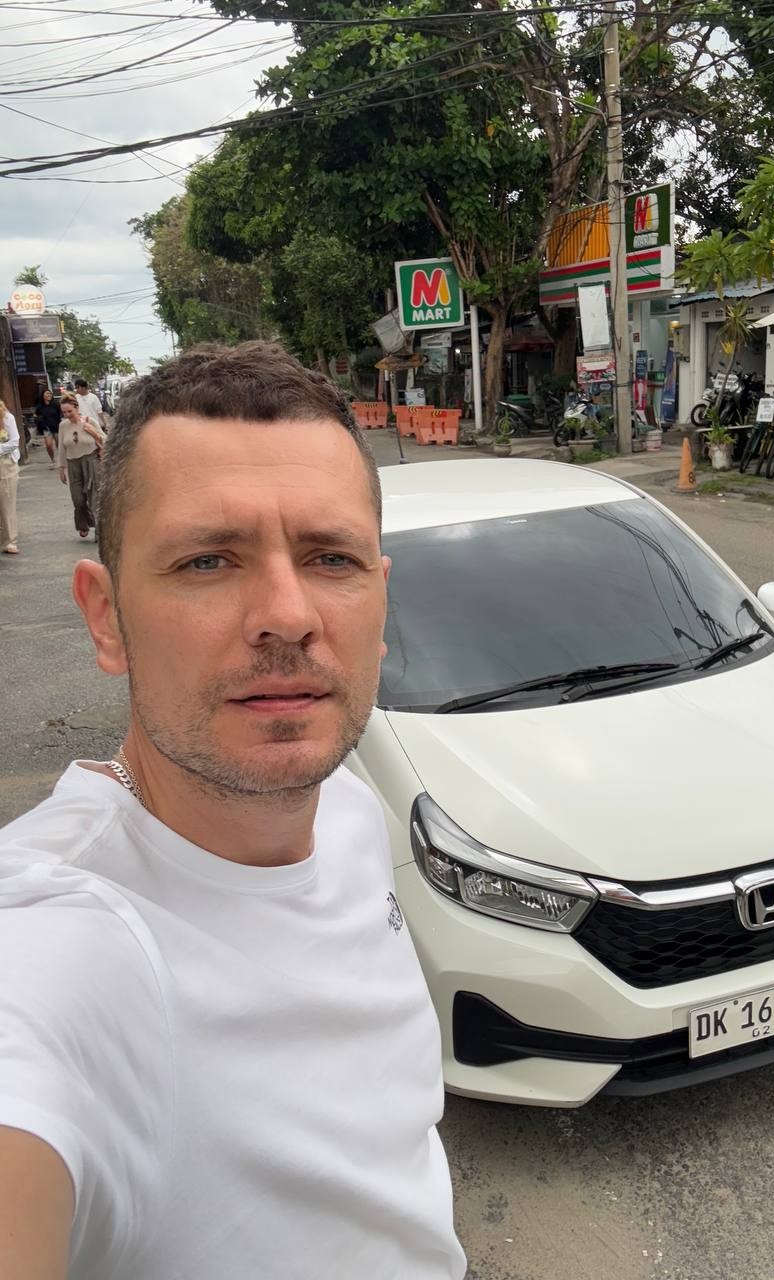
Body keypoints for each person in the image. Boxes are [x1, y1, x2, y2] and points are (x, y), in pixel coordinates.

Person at [0, 341, 466, 1280]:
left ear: (380, 599)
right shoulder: (61, 950)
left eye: (330, 558)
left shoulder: (346, 807)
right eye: (207, 560)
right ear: (105, 617)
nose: (287, 615)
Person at [57, 394, 104, 539]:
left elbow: (105, 440)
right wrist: (61, 467)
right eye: (64, 412)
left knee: (94, 498)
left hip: (91, 461)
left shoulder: (90, 421)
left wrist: (93, 432)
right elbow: (62, 448)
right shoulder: (63, 426)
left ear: (76, 408)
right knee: (78, 499)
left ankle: (100, 531)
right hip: (73, 464)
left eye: (69, 411)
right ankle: (84, 524)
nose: (67, 415)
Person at [0, 398, 20, 554]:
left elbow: (14, 442)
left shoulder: (7, 418)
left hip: (5, 464)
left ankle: (9, 541)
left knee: (6, 504)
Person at [35, 387, 62, 466]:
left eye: (50, 393)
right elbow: (36, 416)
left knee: (59, 444)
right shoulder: (39, 407)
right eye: (47, 393)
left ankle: (60, 459)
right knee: (49, 445)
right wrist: (40, 424)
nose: (49, 395)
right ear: (43, 395)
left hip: (56, 427)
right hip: (46, 428)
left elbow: (60, 415)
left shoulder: (55, 405)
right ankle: (52, 460)